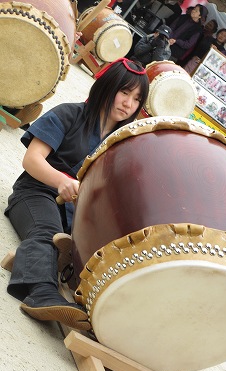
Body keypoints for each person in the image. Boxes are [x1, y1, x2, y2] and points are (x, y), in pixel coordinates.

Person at [4, 58, 149, 330]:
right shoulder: (68, 114)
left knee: (107, 261)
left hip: (78, 215)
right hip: (36, 193)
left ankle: (107, 325)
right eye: (125, 92)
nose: (129, 103)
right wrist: (62, 180)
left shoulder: (123, 146)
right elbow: (32, 160)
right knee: (46, 231)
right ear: (107, 87)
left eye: (137, 98)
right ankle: (41, 294)